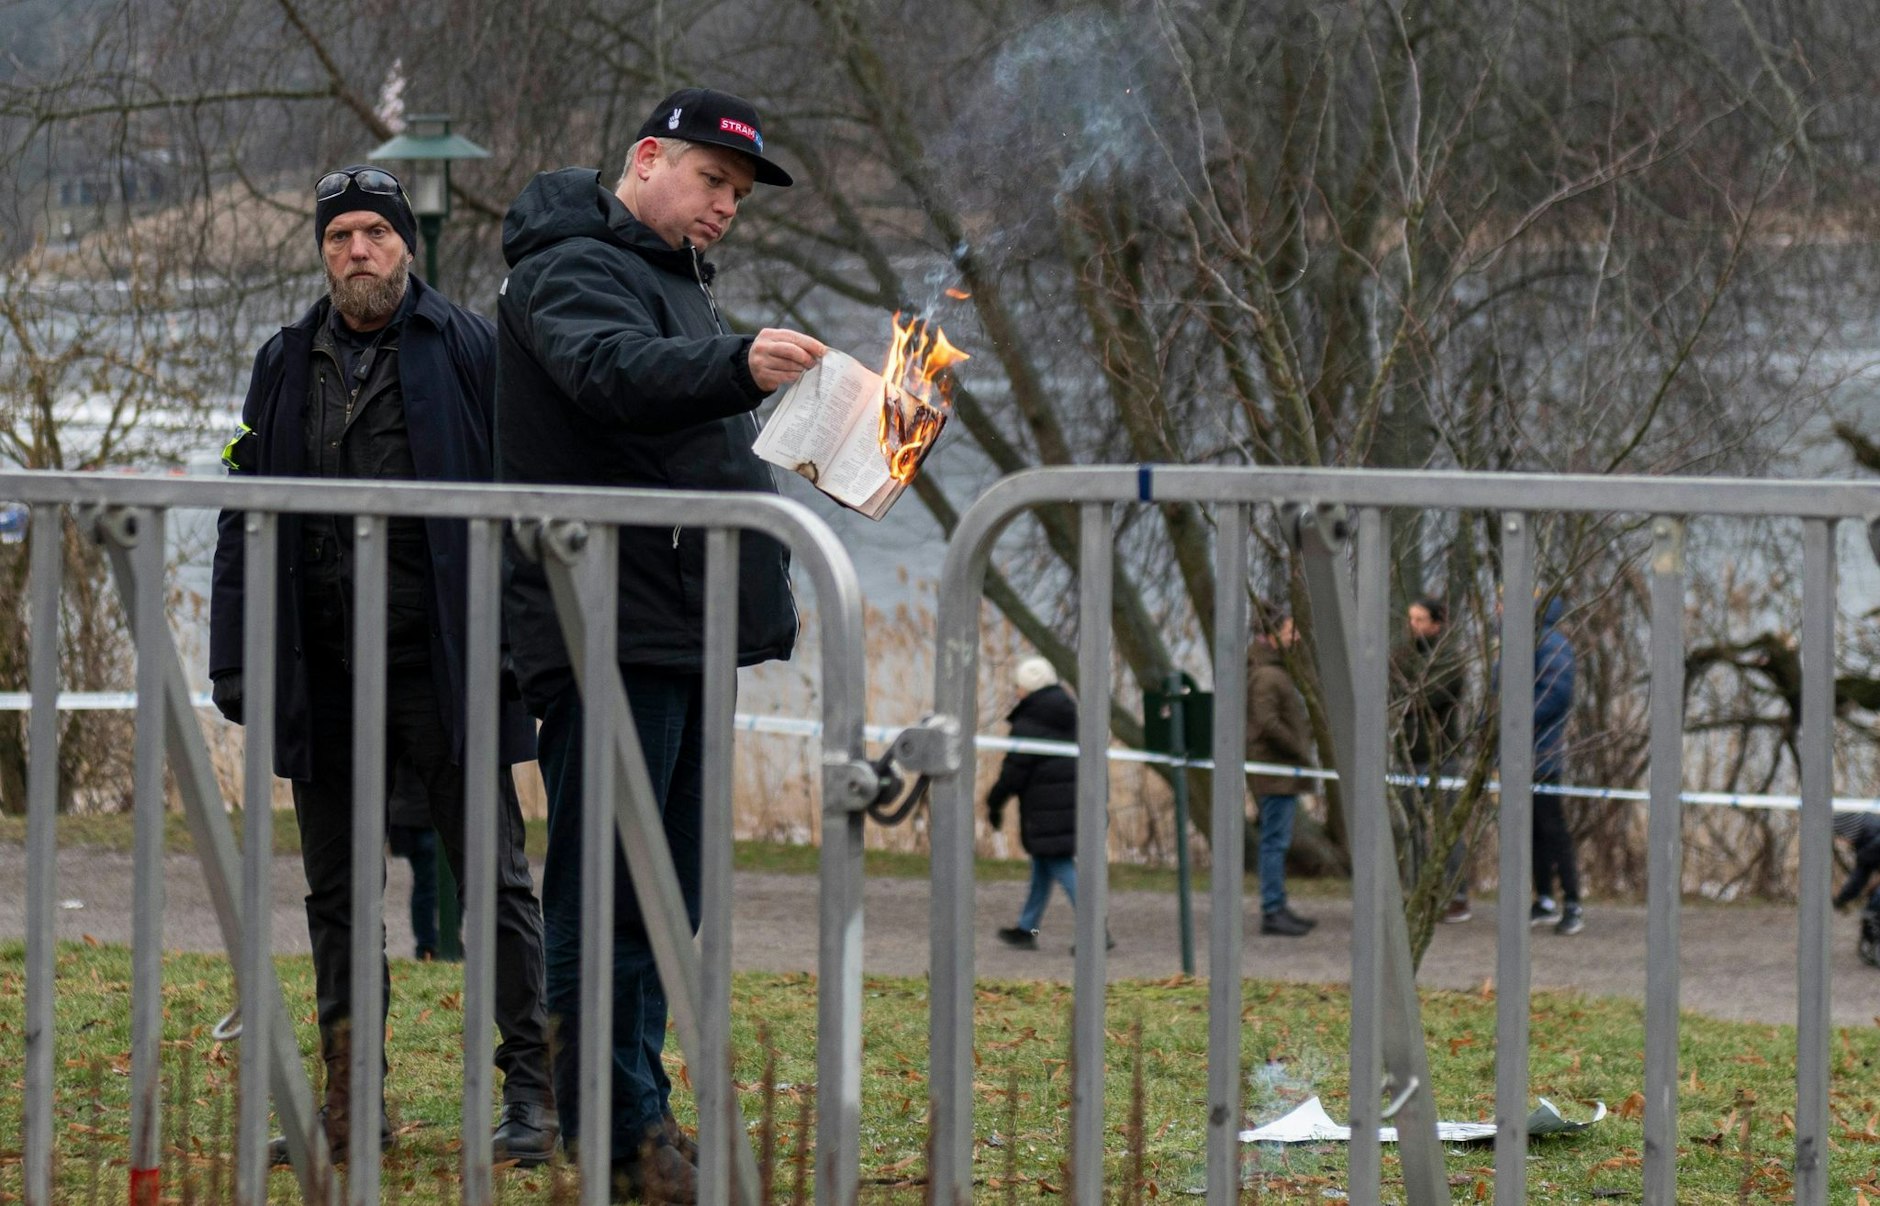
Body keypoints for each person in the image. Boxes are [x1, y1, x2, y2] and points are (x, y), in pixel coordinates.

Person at [495, 87, 822, 1200]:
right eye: (712, 180)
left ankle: (639, 1110)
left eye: (738, 194)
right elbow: (610, 375)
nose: (725, 206)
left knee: (667, 891)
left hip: (681, 623)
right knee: (608, 888)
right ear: (646, 159)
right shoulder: (568, 268)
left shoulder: (675, 282)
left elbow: (685, 439)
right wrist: (737, 365)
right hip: (606, 628)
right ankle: (614, 1131)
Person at [208, 165, 558, 1167]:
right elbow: (241, 508)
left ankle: (533, 1096)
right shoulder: (283, 361)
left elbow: (523, 506)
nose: (356, 250)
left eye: (374, 232)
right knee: (336, 897)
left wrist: (518, 648)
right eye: (338, 237)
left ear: (404, 242)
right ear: (323, 253)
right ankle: (353, 1107)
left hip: (444, 664)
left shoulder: (472, 349)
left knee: (495, 883)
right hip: (320, 668)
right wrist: (236, 657)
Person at [1495, 593, 1582, 936]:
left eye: (1505, 602)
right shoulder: (1514, 643)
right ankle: (1544, 897)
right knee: (1528, 829)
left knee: (1551, 828)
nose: (1498, 609)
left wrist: (1514, 722)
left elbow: (1555, 694)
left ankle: (1572, 902)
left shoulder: (1551, 644)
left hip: (1541, 753)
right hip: (1515, 754)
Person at [986, 657, 1080, 949]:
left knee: (1059, 863)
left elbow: (1014, 770)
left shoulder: (1030, 721)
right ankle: (1028, 929)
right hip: (1068, 800)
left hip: (1044, 805)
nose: (1017, 691)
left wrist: (994, 802)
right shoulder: (1068, 712)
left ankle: (1095, 927)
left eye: (1019, 686)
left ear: (1029, 687)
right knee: (1043, 864)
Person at [1391, 597, 1469, 922]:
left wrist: (1405, 694)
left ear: (1437, 624)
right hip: (1407, 755)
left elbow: (1425, 697)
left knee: (1447, 828)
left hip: (1441, 755)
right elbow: (1392, 692)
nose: (1413, 626)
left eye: (1420, 620)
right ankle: (1417, 890)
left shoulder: (1450, 658)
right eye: (1410, 619)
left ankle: (1455, 895)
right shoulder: (1402, 655)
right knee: (1409, 827)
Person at [1247, 613, 1318, 937]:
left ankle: (1278, 905)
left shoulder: (1273, 670)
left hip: (1279, 768)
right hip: (1275, 769)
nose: (1296, 637)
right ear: (1274, 634)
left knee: (1276, 839)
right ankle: (1273, 909)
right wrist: (1298, 749)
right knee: (1274, 842)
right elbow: (1267, 721)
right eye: (1291, 631)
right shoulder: (1267, 675)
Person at [386, 757, 443, 962]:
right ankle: (432, 944)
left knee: (426, 885)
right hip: (423, 818)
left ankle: (429, 944)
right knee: (432, 885)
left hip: (404, 816)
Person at [1832, 811, 1880, 967]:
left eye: (1840, 835)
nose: (1841, 841)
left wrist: (1841, 900)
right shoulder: (1872, 830)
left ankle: (1873, 944)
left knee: (1875, 906)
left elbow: (1859, 878)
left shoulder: (1870, 847)